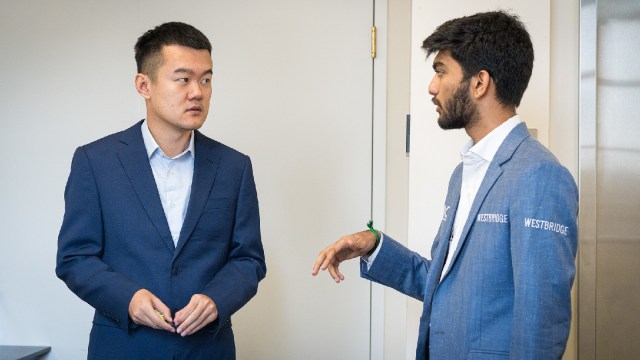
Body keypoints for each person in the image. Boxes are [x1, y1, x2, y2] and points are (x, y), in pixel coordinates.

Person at [312, 11, 578, 359]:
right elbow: (443, 284)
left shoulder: (540, 176)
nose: (431, 86)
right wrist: (374, 246)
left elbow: (541, 323)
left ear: (479, 82)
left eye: (440, 71)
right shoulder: (464, 173)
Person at [56, 22, 266, 360]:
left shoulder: (234, 167)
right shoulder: (95, 162)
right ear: (144, 85)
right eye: (183, 79)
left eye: (206, 79)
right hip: (124, 347)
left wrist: (217, 299)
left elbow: (249, 259)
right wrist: (128, 298)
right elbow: (74, 258)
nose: (197, 91)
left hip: (208, 349)